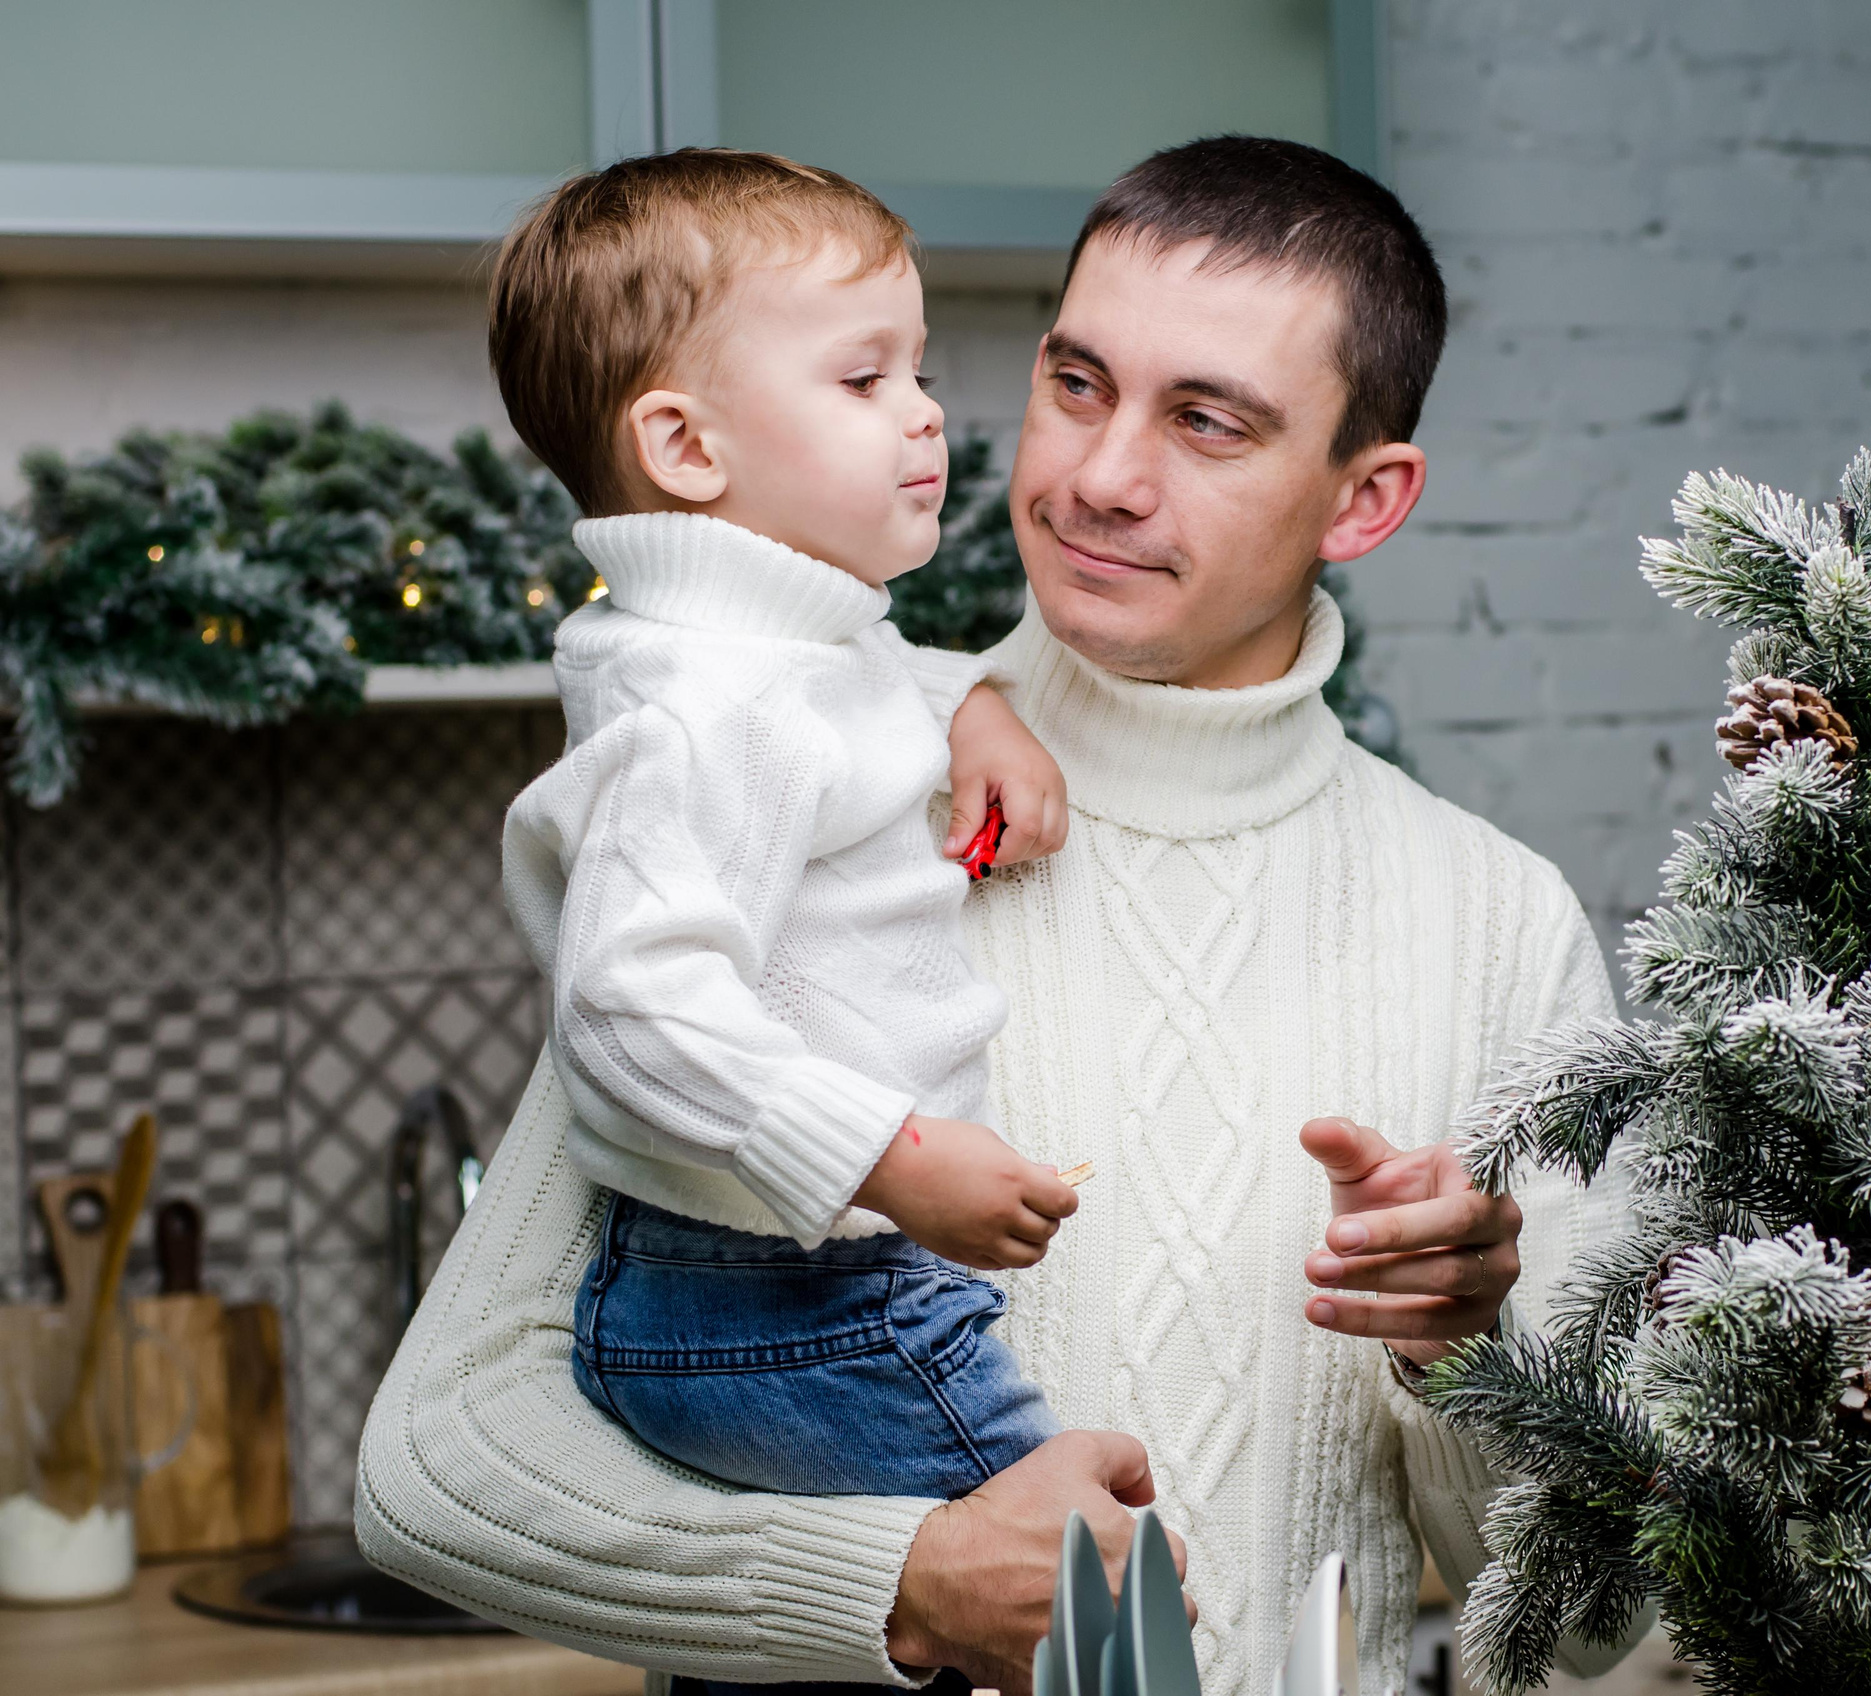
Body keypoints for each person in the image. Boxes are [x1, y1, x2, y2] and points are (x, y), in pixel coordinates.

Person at [358, 136, 1637, 1696]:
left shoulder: (1492, 920)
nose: (1100, 476)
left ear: (1363, 500)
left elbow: (1591, 1620)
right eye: (1076, 384)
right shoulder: (818, 786)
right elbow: (437, 1464)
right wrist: (902, 1591)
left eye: (1207, 422)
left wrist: (1465, 1349)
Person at [492, 149, 1084, 1509]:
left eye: (918, 370)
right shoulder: (703, 706)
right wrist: (886, 1154)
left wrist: (970, 706)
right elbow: (628, 1003)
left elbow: (847, 682)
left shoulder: (767, 648)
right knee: (1088, 1575)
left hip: (799, 1280)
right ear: (688, 449)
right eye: (864, 379)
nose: (927, 415)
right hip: (780, 1294)